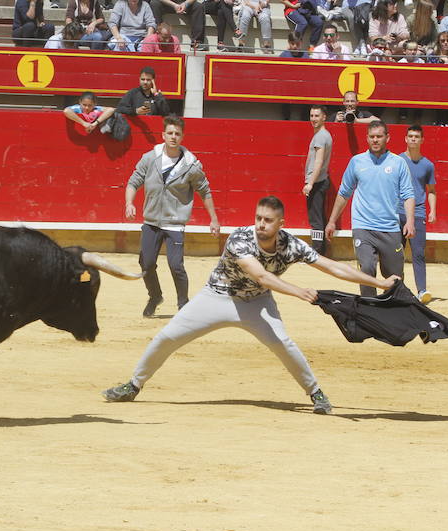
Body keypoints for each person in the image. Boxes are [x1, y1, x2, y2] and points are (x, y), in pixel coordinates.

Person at [101, 195, 401, 415]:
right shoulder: (240, 238)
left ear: (280, 223)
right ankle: (134, 385)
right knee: (167, 336)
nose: (260, 224)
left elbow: (331, 266)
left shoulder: (290, 243)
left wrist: (379, 284)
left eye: (267, 220)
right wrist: (298, 291)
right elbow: (261, 275)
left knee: (284, 344)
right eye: (258, 218)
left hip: (256, 303)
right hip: (217, 297)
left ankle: (316, 394)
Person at [125, 116, 219, 316]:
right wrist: (129, 203)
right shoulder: (150, 158)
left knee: (176, 266)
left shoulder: (190, 165)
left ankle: (183, 305)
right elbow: (134, 181)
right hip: (151, 221)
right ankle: (155, 296)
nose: (173, 137)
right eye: (170, 133)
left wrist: (214, 219)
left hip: (175, 223)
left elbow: (205, 190)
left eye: (177, 133)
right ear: (163, 135)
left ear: (182, 136)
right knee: (146, 263)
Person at [325, 120, 415, 297]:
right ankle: (370, 308)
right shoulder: (357, 162)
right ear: (367, 138)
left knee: (394, 276)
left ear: (387, 138)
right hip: (363, 226)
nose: (375, 140)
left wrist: (410, 221)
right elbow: (344, 193)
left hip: (390, 227)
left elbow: (408, 194)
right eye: (372, 137)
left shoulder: (398, 163)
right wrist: (331, 221)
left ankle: (394, 309)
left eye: (379, 136)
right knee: (366, 269)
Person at [398, 125, 436, 304]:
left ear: (422, 140)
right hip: (397, 212)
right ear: (405, 139)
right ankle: (397, 289)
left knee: (418, 253)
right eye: (410, 136)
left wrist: (433, 211)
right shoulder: (396, 161)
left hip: (419, 212)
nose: (413, 139)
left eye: (416, 137)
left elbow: (431, 190)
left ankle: (421, 290)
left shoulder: (427, 165)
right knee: (395, 254)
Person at [304, 105, 332, 255]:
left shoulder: (321, 136)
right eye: (312, 115)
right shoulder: (323, 135)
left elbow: (318, 161)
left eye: (316, 116)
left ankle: (316, 250)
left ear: (324, 117)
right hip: (320, 181)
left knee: (315, 219)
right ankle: (320, 248)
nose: (313, 119)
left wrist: (310, 183)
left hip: (317, 182)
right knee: (319, 216)